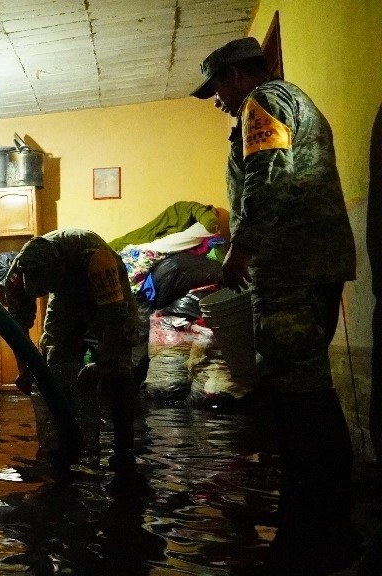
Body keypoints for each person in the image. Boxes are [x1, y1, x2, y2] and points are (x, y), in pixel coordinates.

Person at [192, 37, 358, 571]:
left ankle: (317, 514)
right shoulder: (290, 101)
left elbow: (267, 175)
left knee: (295, 377)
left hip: (292, 264)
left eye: (217, 86)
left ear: (238, 75)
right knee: (301, 374)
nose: (217, 99)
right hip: (309, 261)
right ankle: (324, 505)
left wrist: (243, 247)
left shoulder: (266, 102)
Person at [0, 229, 141, 491]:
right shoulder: (18, 274)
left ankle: (124, 450)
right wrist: (26, 370)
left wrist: (102, 365)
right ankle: (63, 441)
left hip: (106, 295)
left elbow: (115, 321)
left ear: (61, 267)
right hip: (65, 297)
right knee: (54, 354)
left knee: (120, 364)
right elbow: (16, 328)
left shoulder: (96, 258)